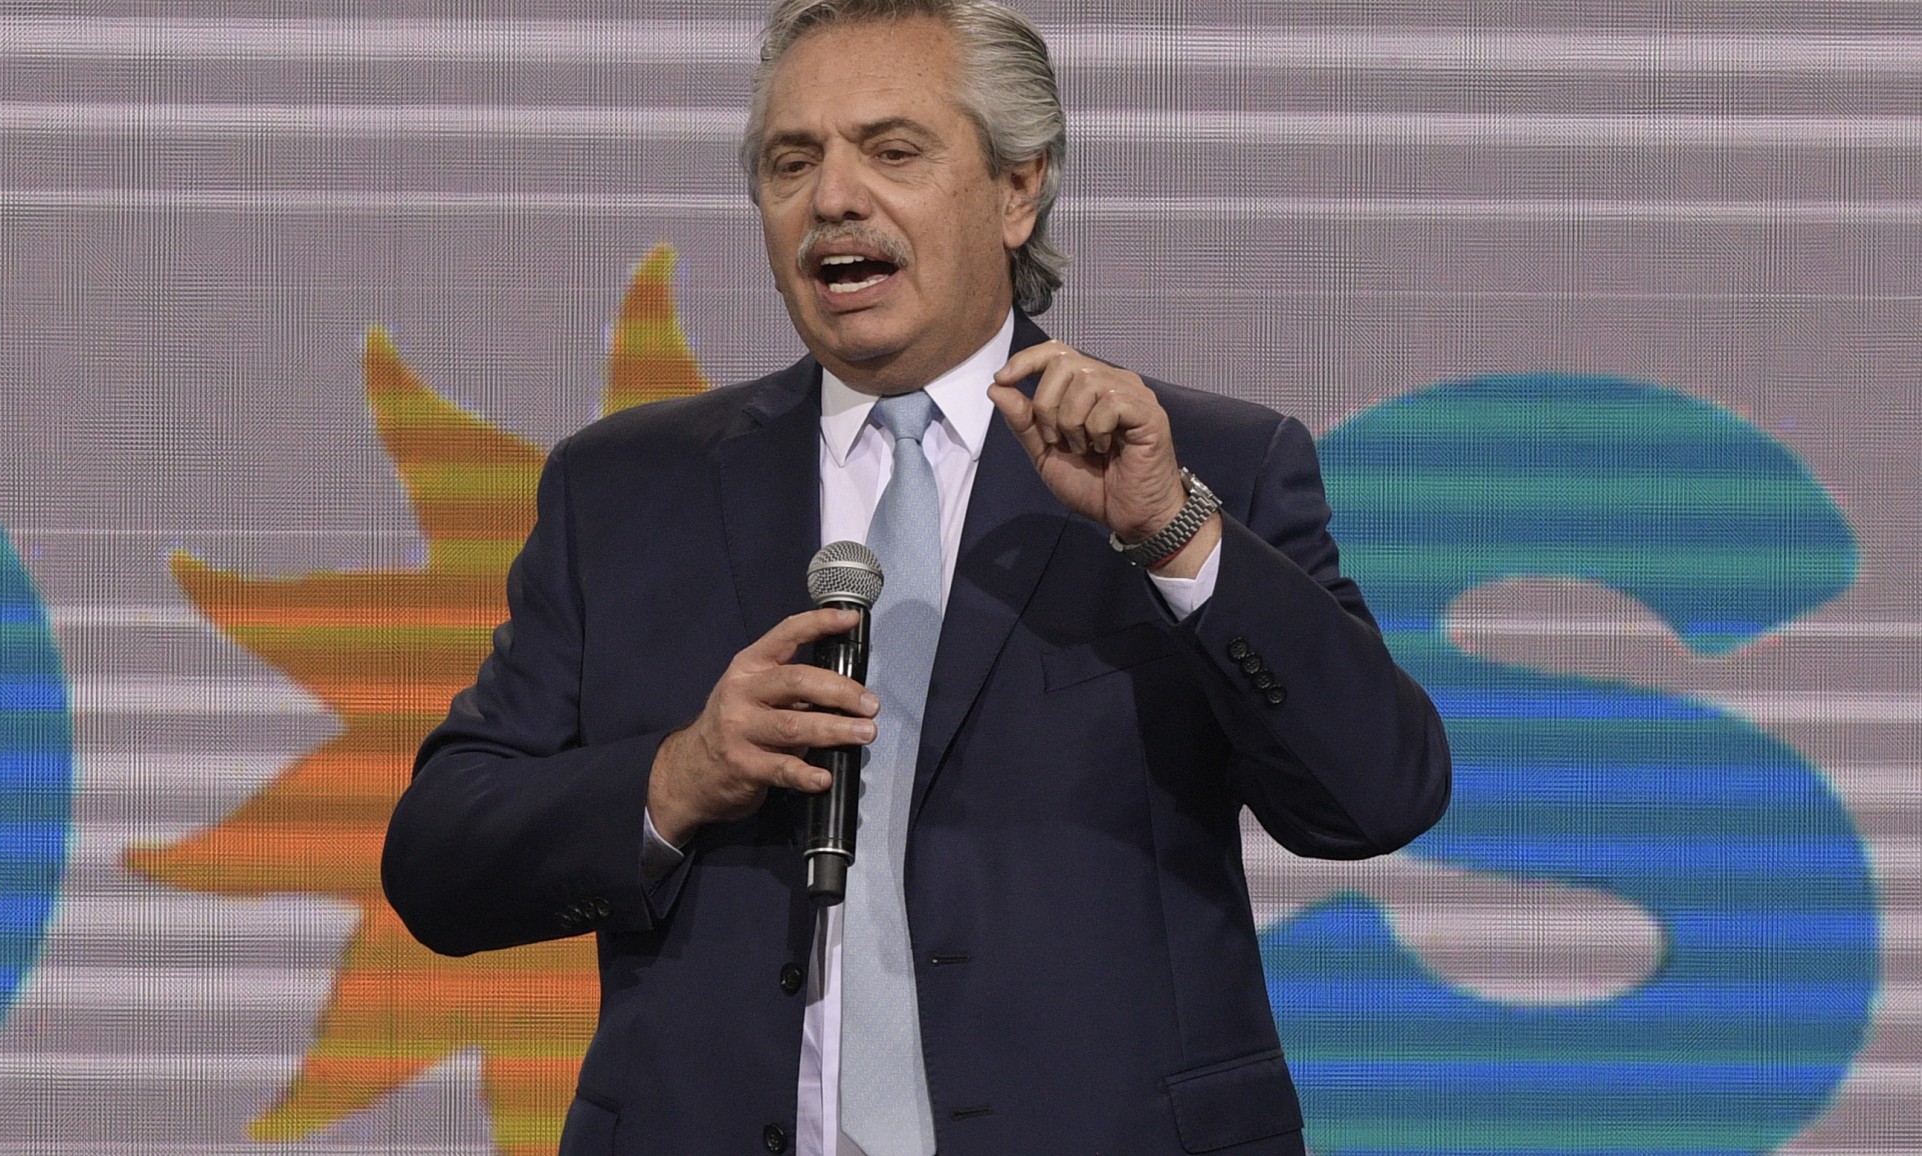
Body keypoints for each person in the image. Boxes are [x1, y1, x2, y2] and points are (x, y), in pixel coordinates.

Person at [380, 1, 1450, 1153]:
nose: (834, 197)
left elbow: (1375, 795)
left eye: (892, 151)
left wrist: (1172, 533)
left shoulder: (1203, 468)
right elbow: (442, 861)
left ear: (1017, 189)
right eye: (794, 161)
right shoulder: (629, 489)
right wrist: (680, 775)